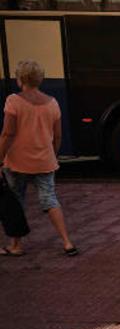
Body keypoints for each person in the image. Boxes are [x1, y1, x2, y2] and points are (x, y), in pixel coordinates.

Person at [0, 60, 77, 257]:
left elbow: (8, 134)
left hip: (17, 162)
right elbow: (57, 135)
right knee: (50, 200)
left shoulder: (13, 101)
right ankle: (67, 242)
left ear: (20, 79)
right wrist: (53, 154)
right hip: (44, 161)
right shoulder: (53, 103)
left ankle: (16, 245)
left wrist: (0, 156)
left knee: (16, 201)